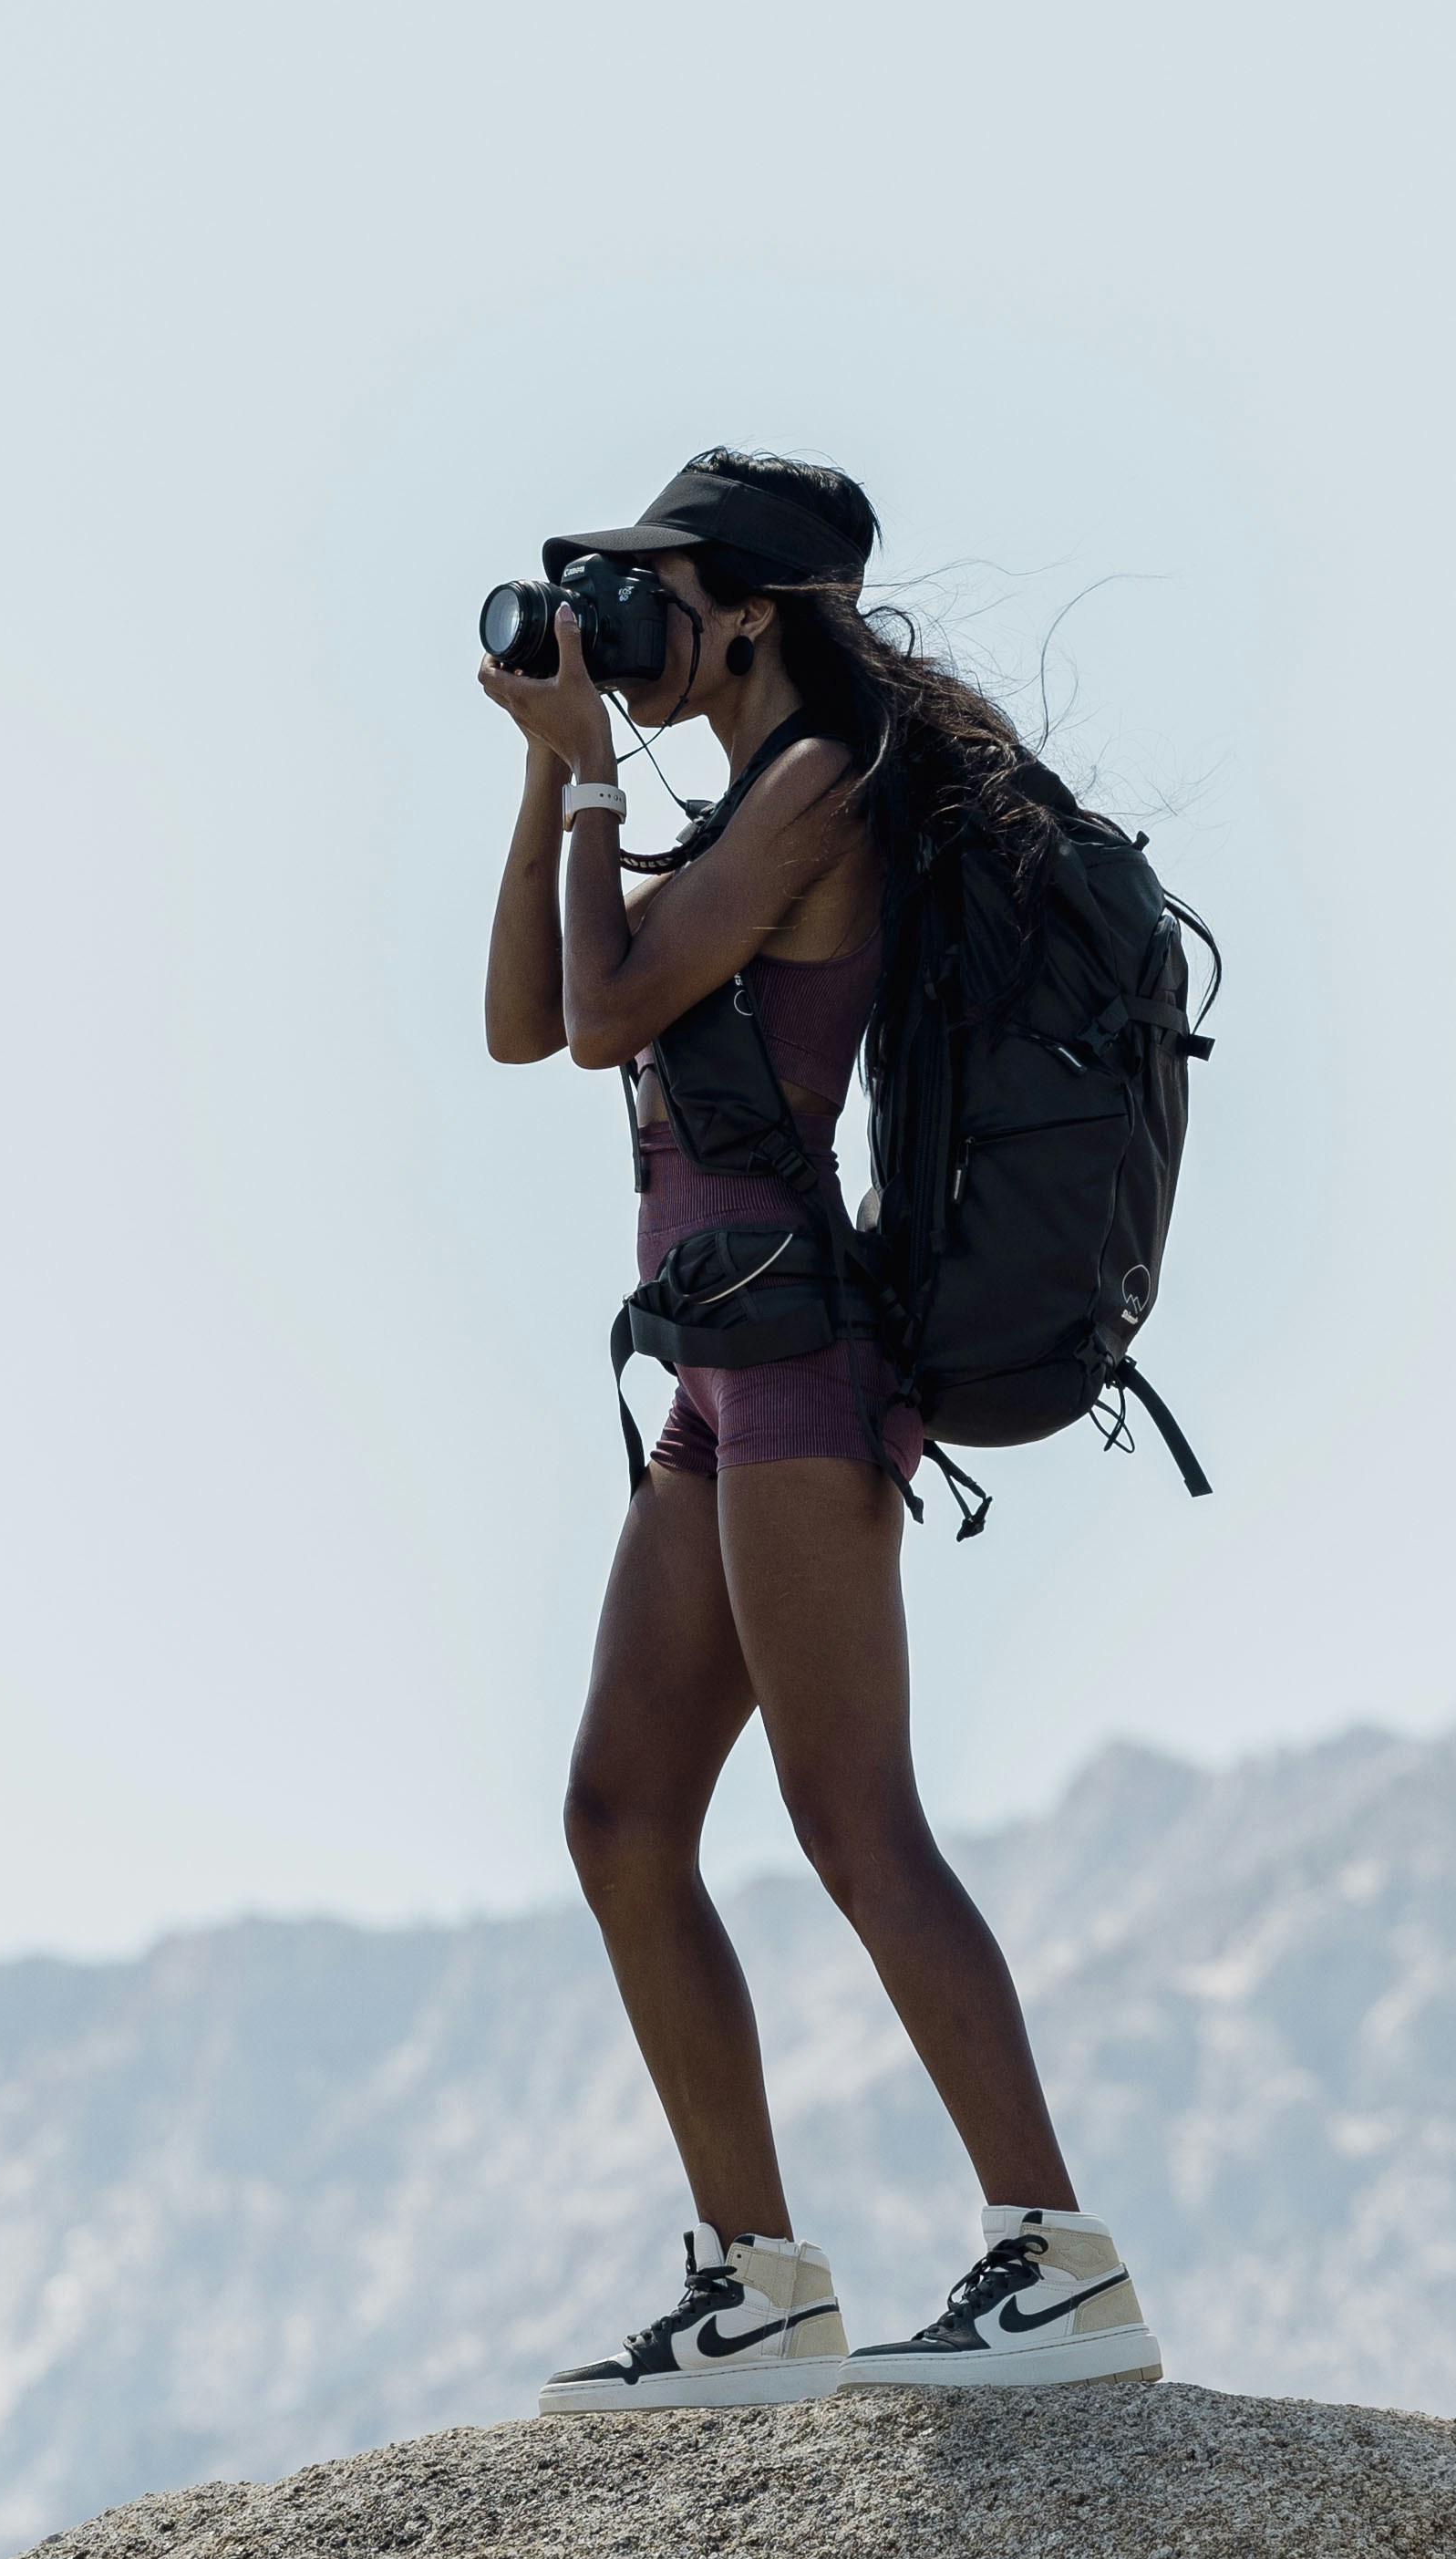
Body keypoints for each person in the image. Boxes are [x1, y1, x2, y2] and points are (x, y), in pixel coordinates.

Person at [474, 451, 1161, 2414]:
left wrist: (598, 773)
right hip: (713, 1363)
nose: (623, 630)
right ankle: (758, 2278)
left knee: (855, 1823)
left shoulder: (813, 792)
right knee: (621, 1817)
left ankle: (1057, 2247)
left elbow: (611, 1015)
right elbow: (532, 1015)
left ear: (751, 606)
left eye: (648, 594)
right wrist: (559, 774)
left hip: (793, 1361)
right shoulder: (734, 802)